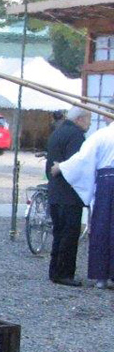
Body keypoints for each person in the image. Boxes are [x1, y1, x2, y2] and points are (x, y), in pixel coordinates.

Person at [58, 118, 114, 288]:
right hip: (107, 181)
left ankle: (101, 277)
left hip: (107, 183)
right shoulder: (103, 135)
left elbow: (82, 159)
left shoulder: (102, 135)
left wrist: (62, 167)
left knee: (103, 226)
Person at [44, 106, 91, 286]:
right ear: (79, 119)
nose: (89, 124)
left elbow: (50, 164)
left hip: (55, 190)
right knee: (69, 234)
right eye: (88, 119)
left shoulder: (57, 132)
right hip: (69, 192)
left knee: (58, 233)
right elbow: (76, 163)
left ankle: (54, 270)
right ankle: (64, 273)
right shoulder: (76, 136)